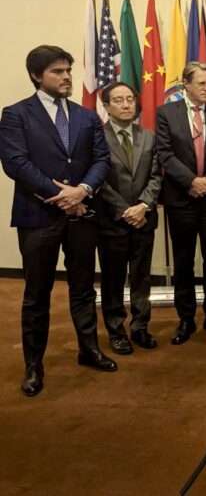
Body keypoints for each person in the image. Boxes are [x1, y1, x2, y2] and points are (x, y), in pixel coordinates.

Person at [0, 45, 116, 397]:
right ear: (37, 76)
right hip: (38, 216)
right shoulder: (16, 115)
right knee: (37, 294)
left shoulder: (86, 116)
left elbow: (101, 159)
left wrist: (81, 191)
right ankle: (34, 366)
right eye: (57, 71)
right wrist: (61, 195)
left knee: (83, 288)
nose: (66, 76)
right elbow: (16, 164)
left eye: (68, 70)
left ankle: (88, 349)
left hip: (82, 214)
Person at [155, 62, 206, 345]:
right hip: (181, 199)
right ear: (186, 85)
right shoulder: (166, 113)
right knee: (184, 262)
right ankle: (185, 319)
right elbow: (164, 154)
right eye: (201, 83)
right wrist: (191, 181)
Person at [96, 82, 162, 354]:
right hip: (113, 221)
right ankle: (116, 330)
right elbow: (98, 180)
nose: (126, 105)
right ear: (107, 106)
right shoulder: (96, 138)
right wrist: (125, 210)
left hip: (144, 219)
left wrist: (144, 205)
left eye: (129, 100)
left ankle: (140, 327)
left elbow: (157, 175)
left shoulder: (149, 137)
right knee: (113, 278)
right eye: (119, 100)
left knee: (141, 277)